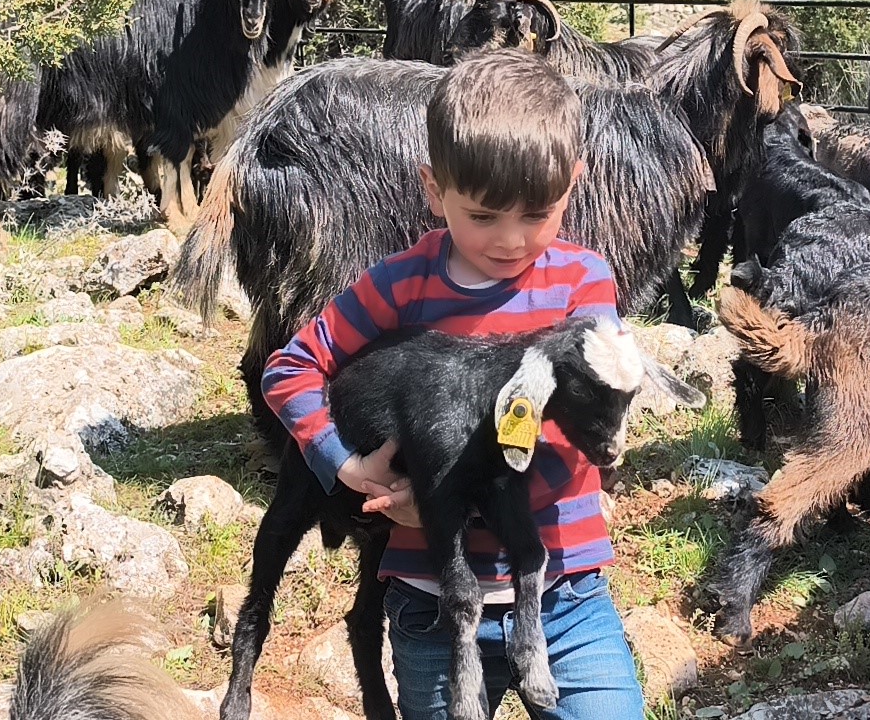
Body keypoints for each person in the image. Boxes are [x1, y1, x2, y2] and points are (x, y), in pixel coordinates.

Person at [261, 49, 643, 718]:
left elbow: (590, 426)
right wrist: (345, 466)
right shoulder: (402, 283)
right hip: (431, 597)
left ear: (571, 185)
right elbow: (290, 368)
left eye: (536, 213)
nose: (512, 239)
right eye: (485, 215)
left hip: (563, 591)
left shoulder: (583, 285)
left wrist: (452, 500)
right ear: (435, 191)